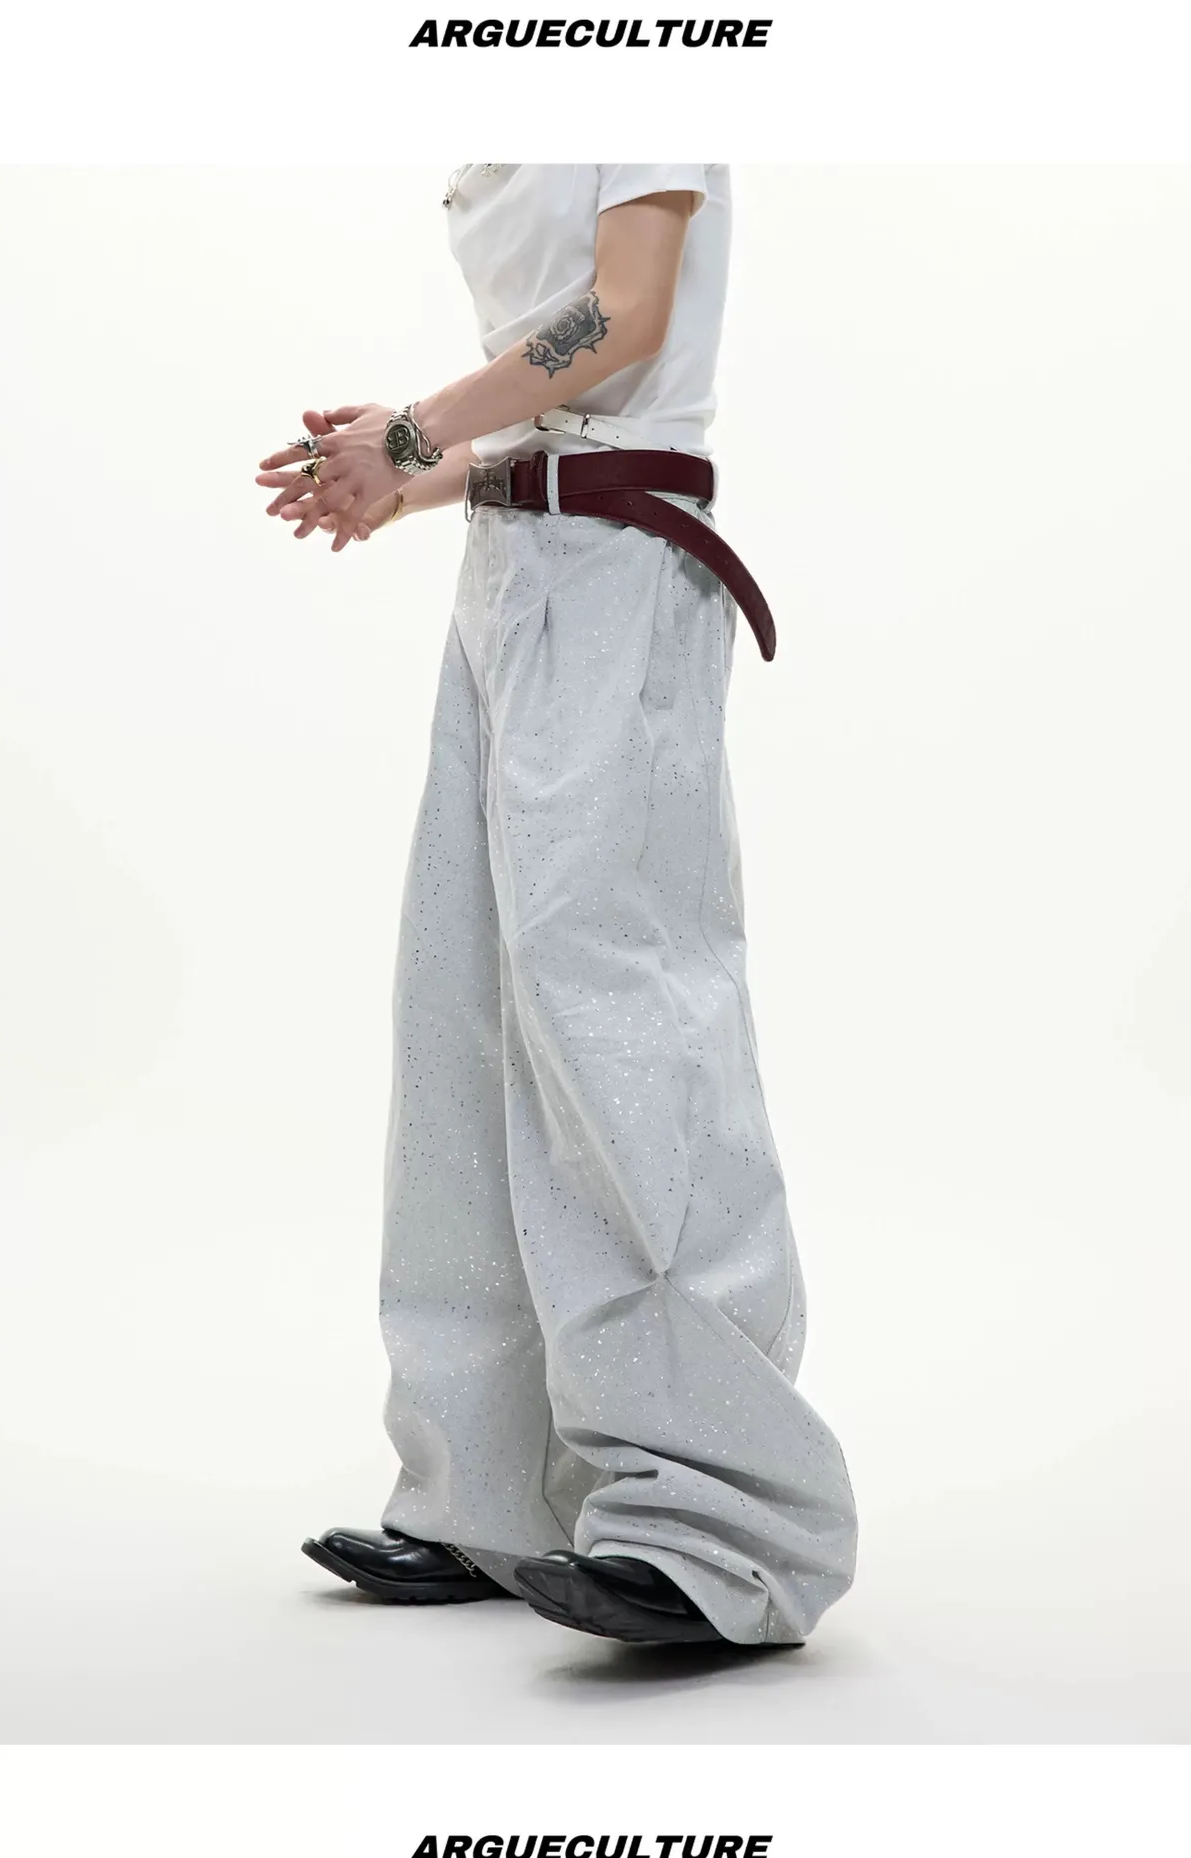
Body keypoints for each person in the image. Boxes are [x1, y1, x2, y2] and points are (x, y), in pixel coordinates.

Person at [255, 164, 858, 1648]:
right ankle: (493, 1489)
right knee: (462, 1016)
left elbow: (626, 318)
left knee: (624, 1019)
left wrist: (412, 429)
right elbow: (548, 404)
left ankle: (725, 1525)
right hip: (512, 562)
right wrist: (416, 476)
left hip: (622, 569)